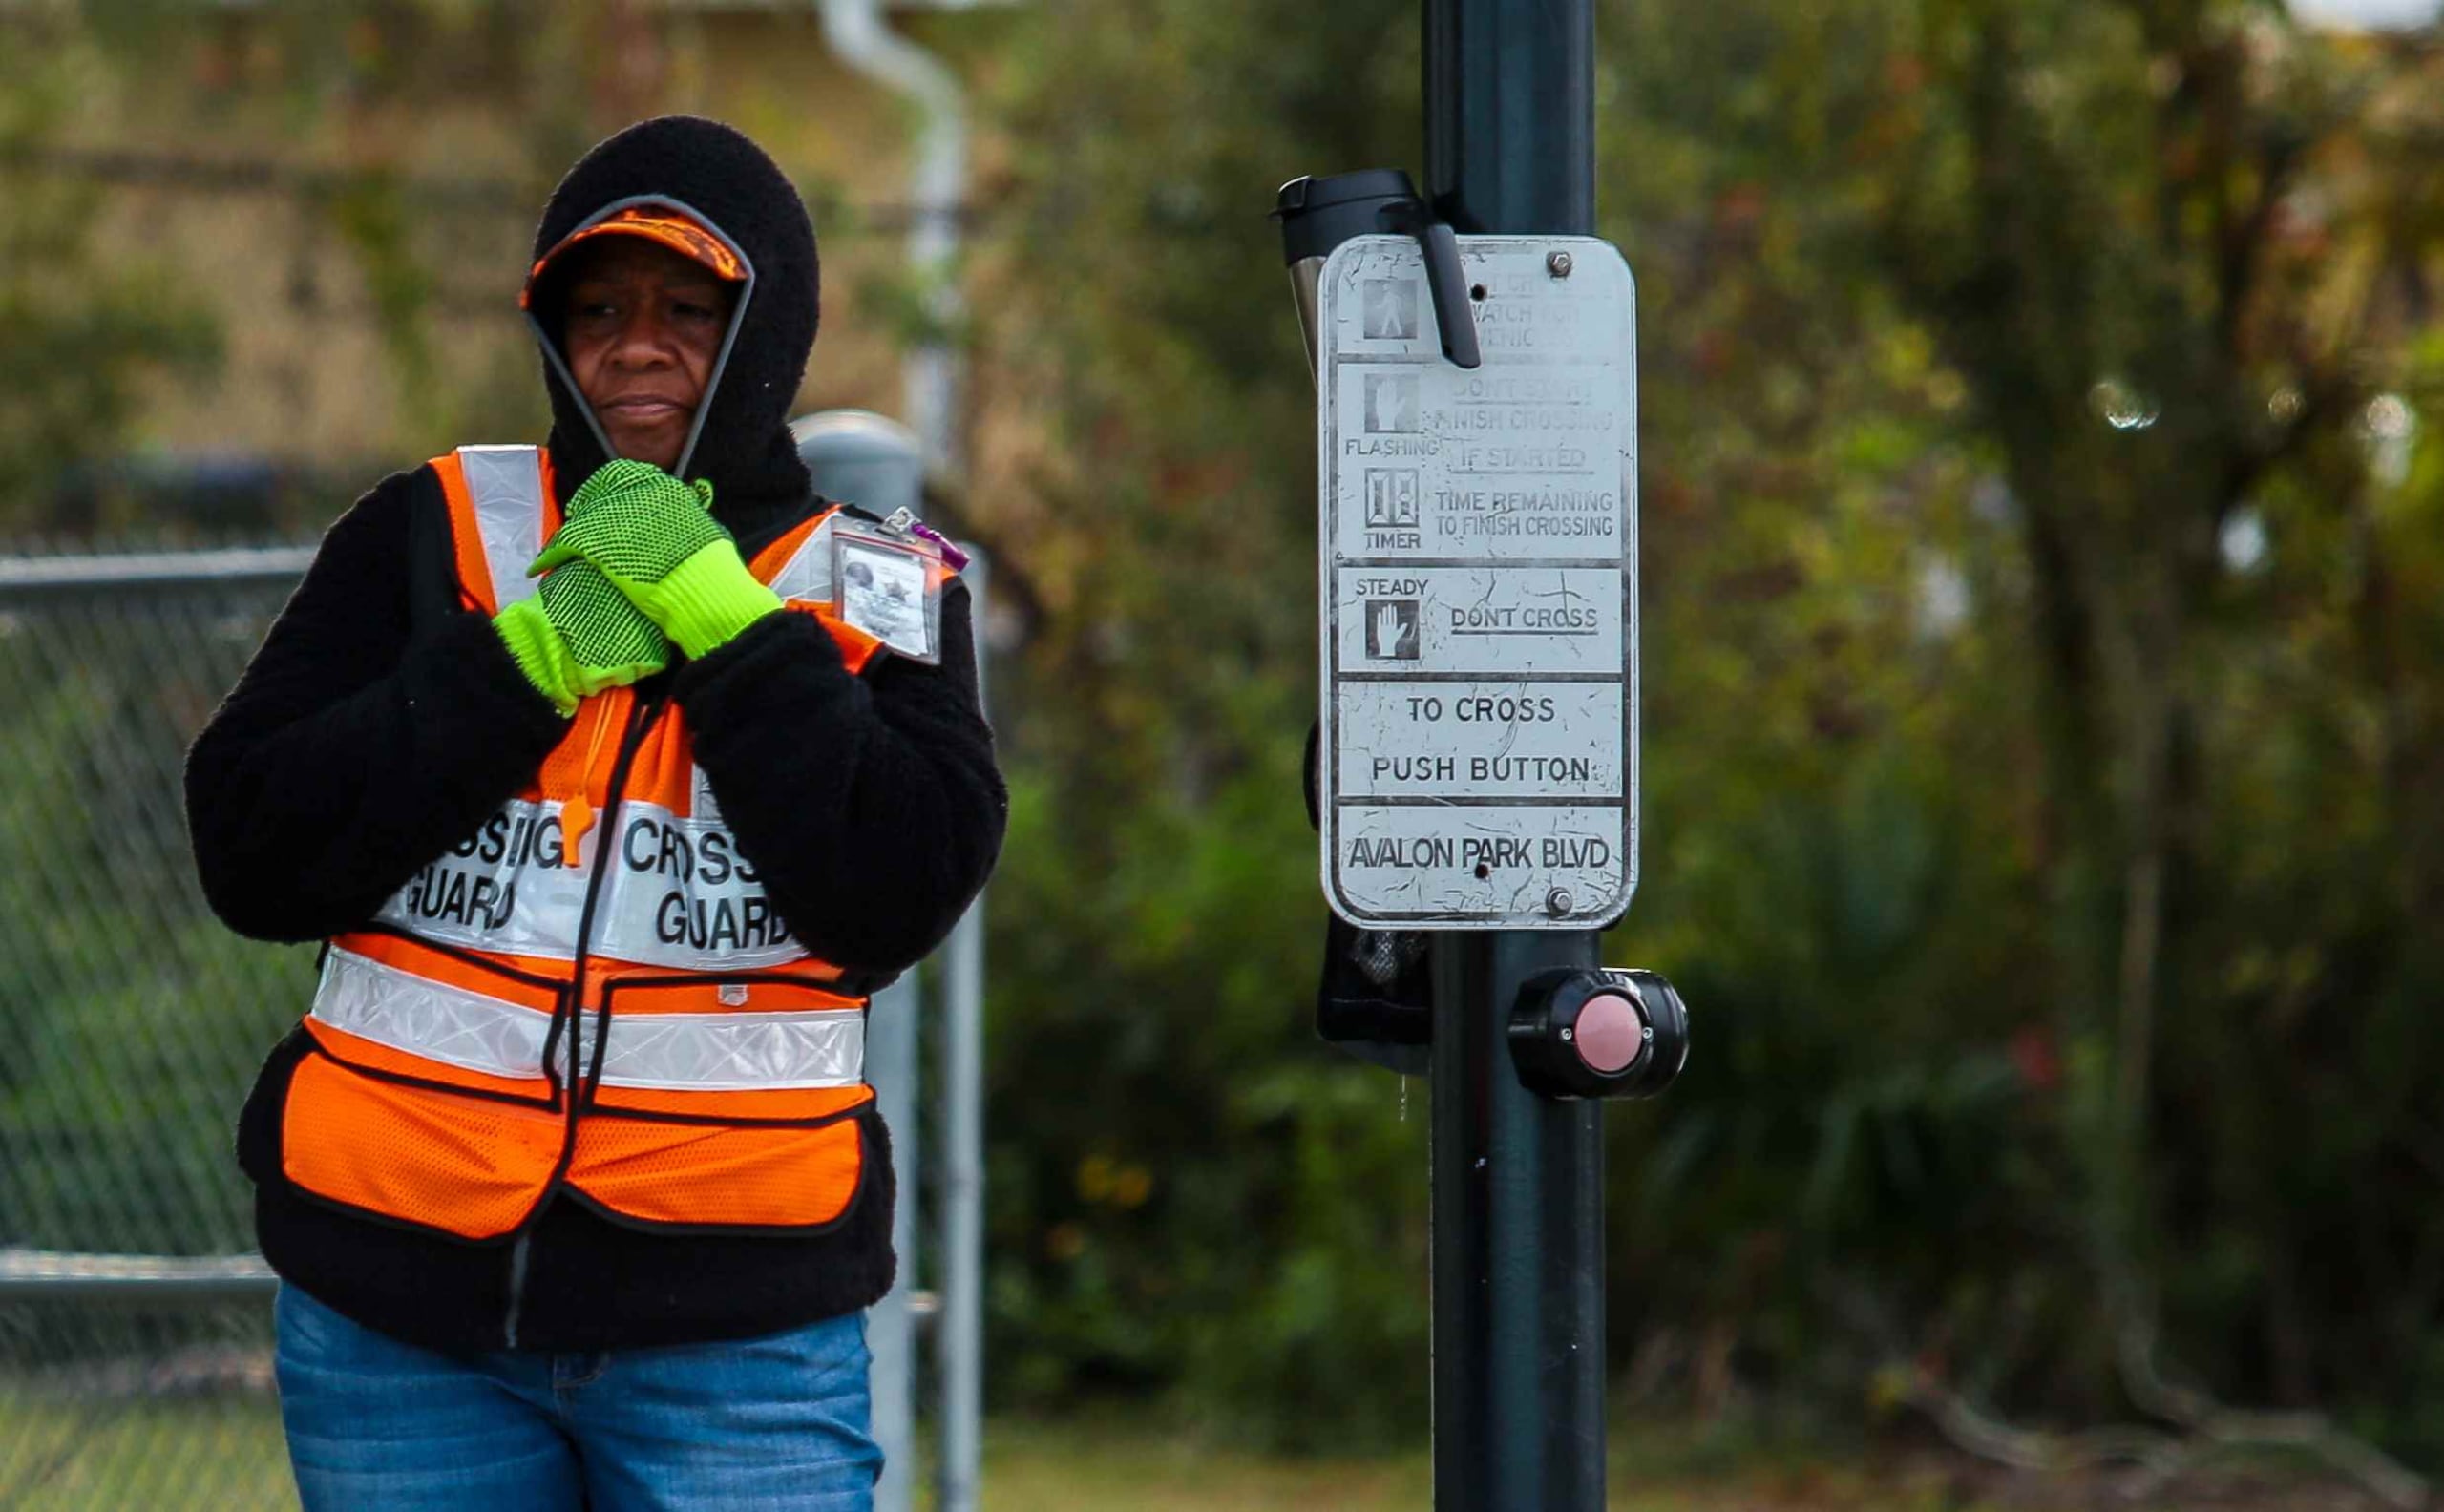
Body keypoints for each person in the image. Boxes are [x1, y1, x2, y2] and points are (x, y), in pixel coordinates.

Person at [183, 116, 1004, 1512]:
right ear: (552, 333)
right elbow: (252, 848)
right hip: (396, 1311)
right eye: (600, 309)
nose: (636, 345)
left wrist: (734, 638)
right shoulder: (434, 531)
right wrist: (523, 665)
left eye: (689, 310)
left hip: (737, 1332)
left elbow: (895, 887)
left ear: (770, 331)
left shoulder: (879, 587)